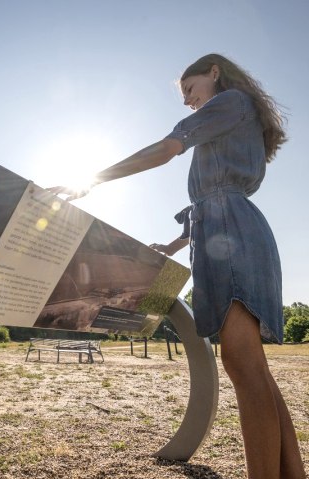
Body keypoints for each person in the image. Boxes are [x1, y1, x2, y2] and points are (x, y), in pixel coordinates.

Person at [50, 54, 305, 479]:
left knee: (244, 367)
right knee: (253, 370)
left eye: (190, 89)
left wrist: (91, 178)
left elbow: (169, 149)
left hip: (232, 235)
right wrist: (173, 244)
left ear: (214, 72)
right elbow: (209, 199)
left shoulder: (230, 102)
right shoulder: (237, 116)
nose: (188, 101)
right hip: (231, 230)